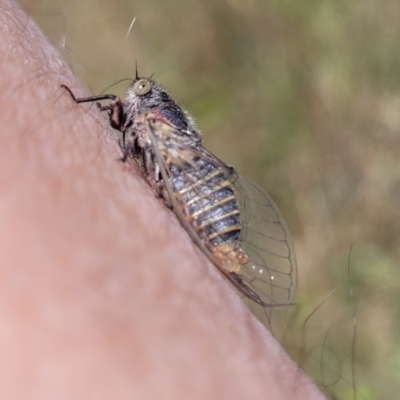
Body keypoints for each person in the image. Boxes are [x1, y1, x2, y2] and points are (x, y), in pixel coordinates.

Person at [0, 0, 325, 398]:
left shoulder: (152, 124)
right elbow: (119, 122)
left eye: (139, 89)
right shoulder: (140, 119)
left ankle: (223, 243)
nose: (131, 92)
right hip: (187, 173)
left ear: (148, 104)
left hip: (194, 189)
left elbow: (131, 138)